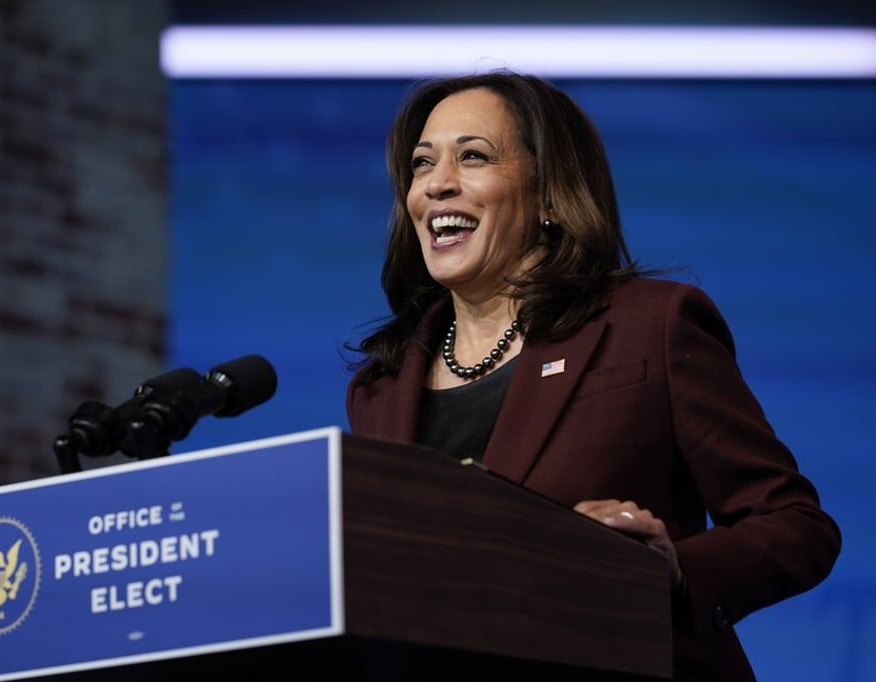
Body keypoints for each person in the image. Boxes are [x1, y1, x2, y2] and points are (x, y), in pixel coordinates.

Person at [345, 73, 840, 681]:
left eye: (472, 156)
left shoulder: (651, 325)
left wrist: (672, 572)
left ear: (550, 193)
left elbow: (795, 527)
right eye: (422, 165)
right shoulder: (380, 386)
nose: (437, 184)